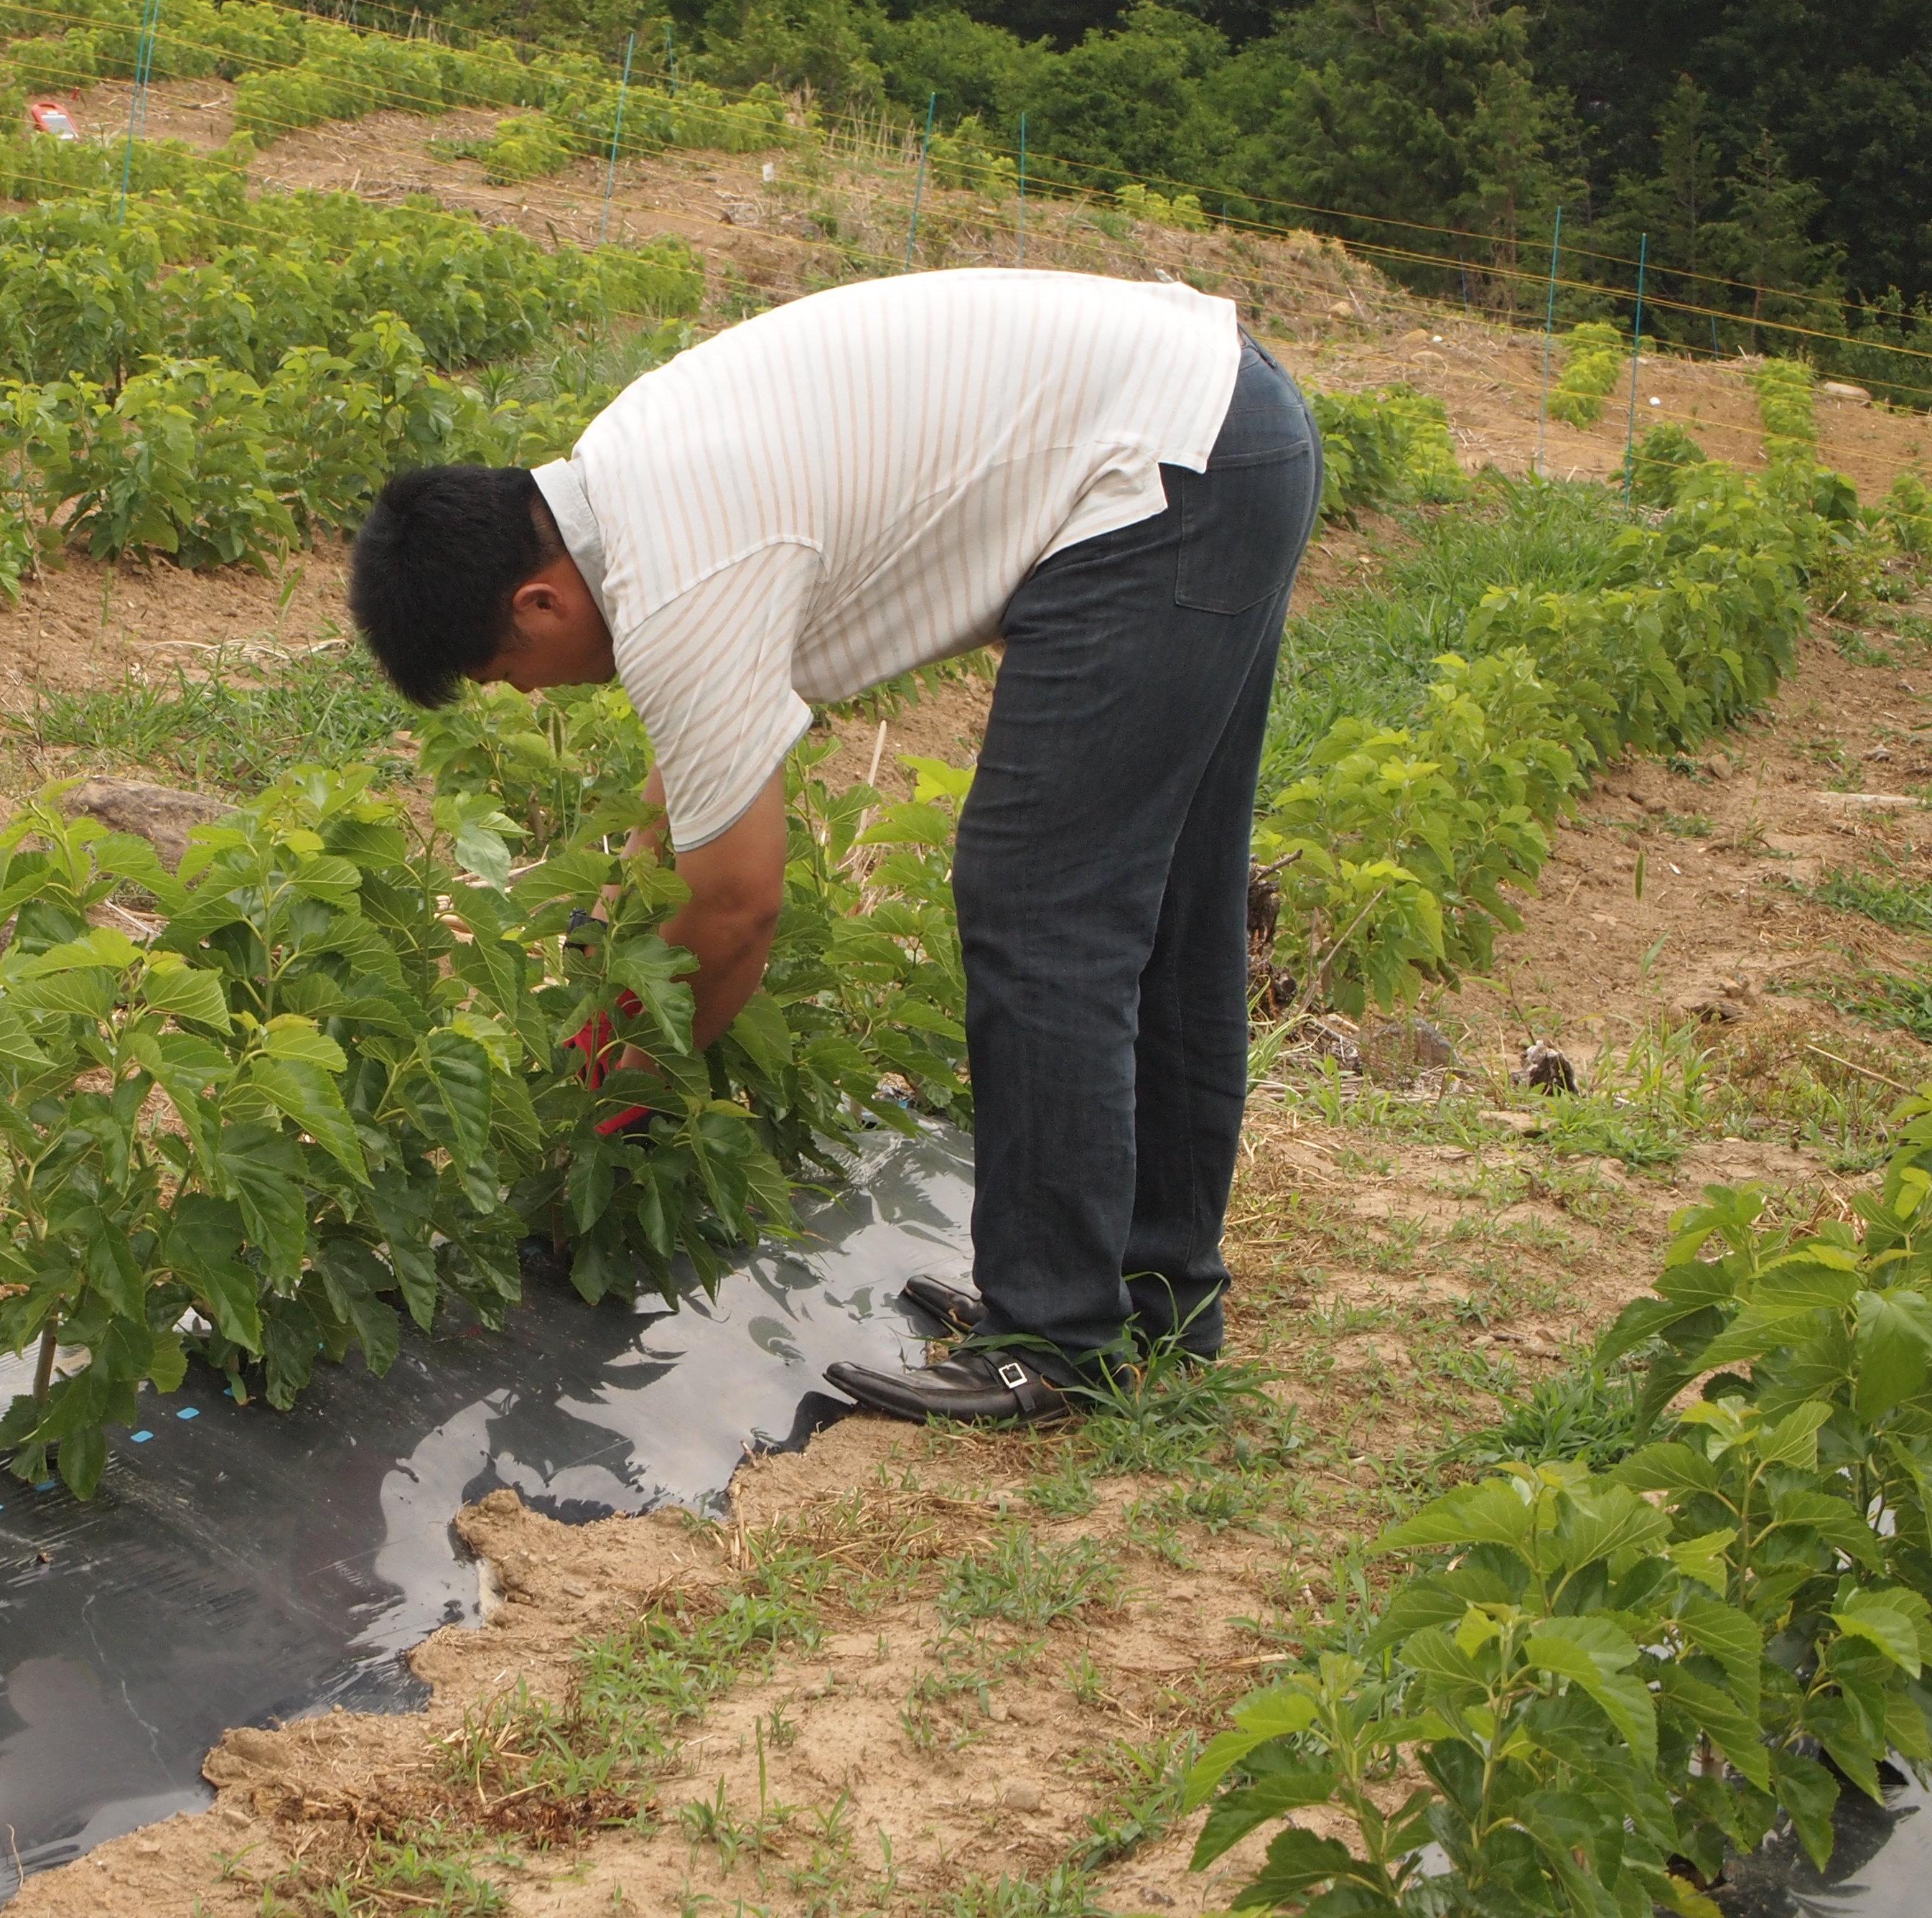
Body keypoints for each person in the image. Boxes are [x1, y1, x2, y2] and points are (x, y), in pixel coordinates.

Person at [345, 267, 1324, 1424]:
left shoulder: (672, 575)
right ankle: (1156, 1299)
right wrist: (616, 944)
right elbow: (687, 800)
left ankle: (1057, 1338)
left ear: (539, 604)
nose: (526, 697)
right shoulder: (628, 481)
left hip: (1160, 474)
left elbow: (736, 910)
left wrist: (621, 1103)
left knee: (1040, 899)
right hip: (1214, 422)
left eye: (503, 678)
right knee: (1171, 899)